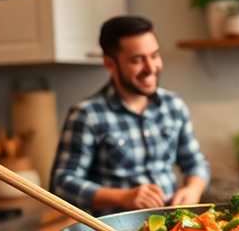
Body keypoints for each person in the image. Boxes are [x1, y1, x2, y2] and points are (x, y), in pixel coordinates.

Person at [50, 15, 210, 214]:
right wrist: (124, 197)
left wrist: (193, 189)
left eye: (154, 56)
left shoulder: (173, 105)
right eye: (137, 60)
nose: (151, 68)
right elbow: (62, 184)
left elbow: (195, 162)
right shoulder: (87, 114)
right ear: (110, 64)